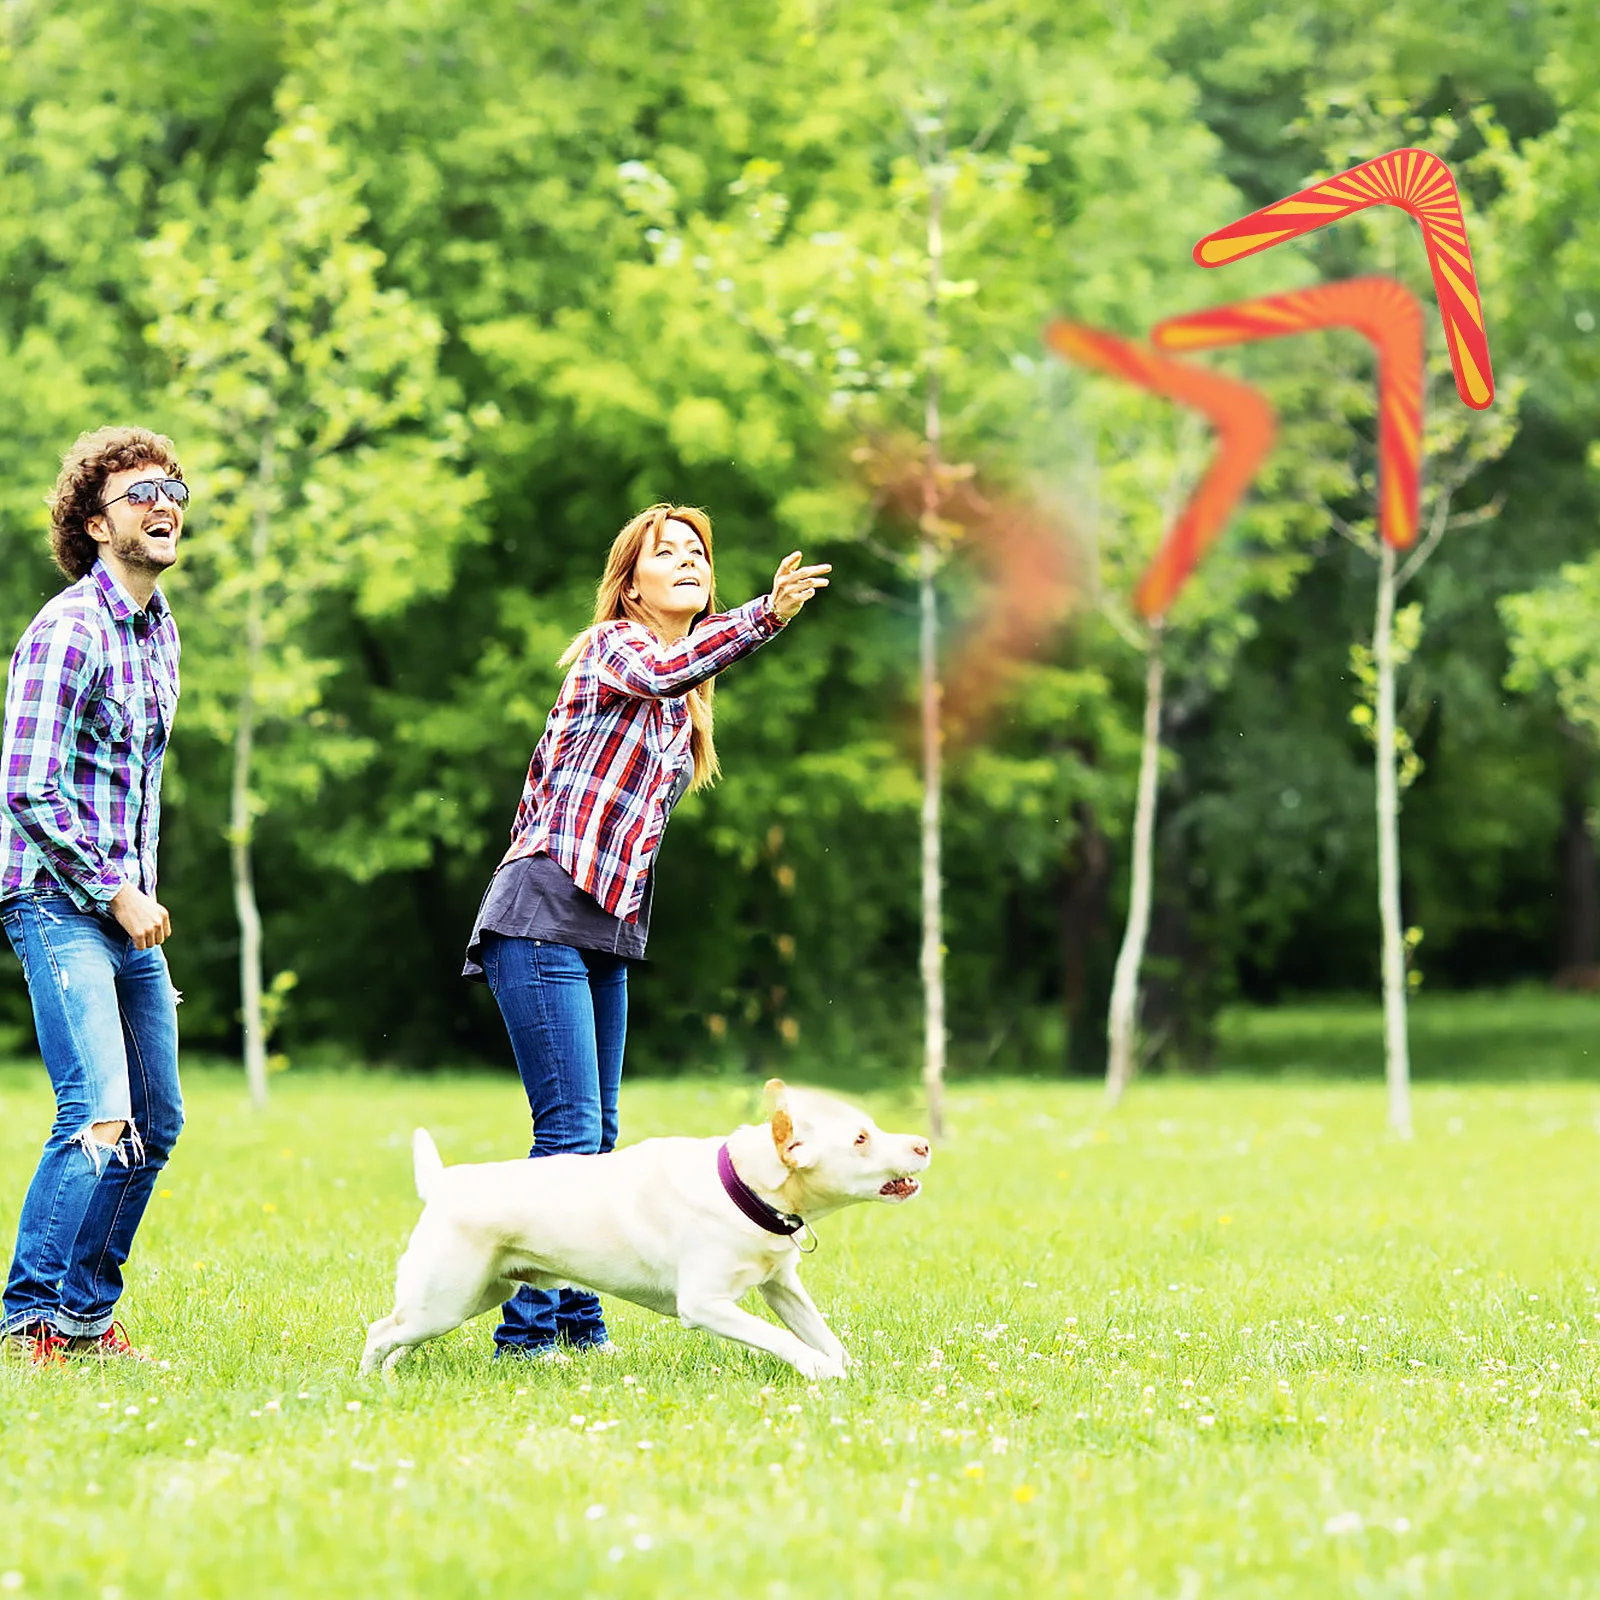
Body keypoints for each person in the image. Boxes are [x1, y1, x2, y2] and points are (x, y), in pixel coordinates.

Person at [463, 502, 829, 1360]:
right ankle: (527, 1337)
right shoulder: (614, 651)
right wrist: (767, 615)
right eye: (667, 553)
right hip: (543, 911)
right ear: (630, 587)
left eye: (698, 551)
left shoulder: (681, 698)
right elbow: (666, 670)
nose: (690, 561)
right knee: (568, 1135)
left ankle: (579, 1323)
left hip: (604, 926)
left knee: (600, 1143)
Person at [0, 427, 188, 1367]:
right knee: (98, 1112)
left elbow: (133, 789)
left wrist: (136, 901)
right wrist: (117, 893)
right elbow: (27, 786)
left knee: (156, 1120)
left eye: (174, 490)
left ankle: (81, 1320)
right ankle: (28, 1321)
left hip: (124, 908)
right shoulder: (68, 629)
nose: (164, 506)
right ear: (93, 523)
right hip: (56, 900)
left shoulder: (161, 632)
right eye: (140, 493)